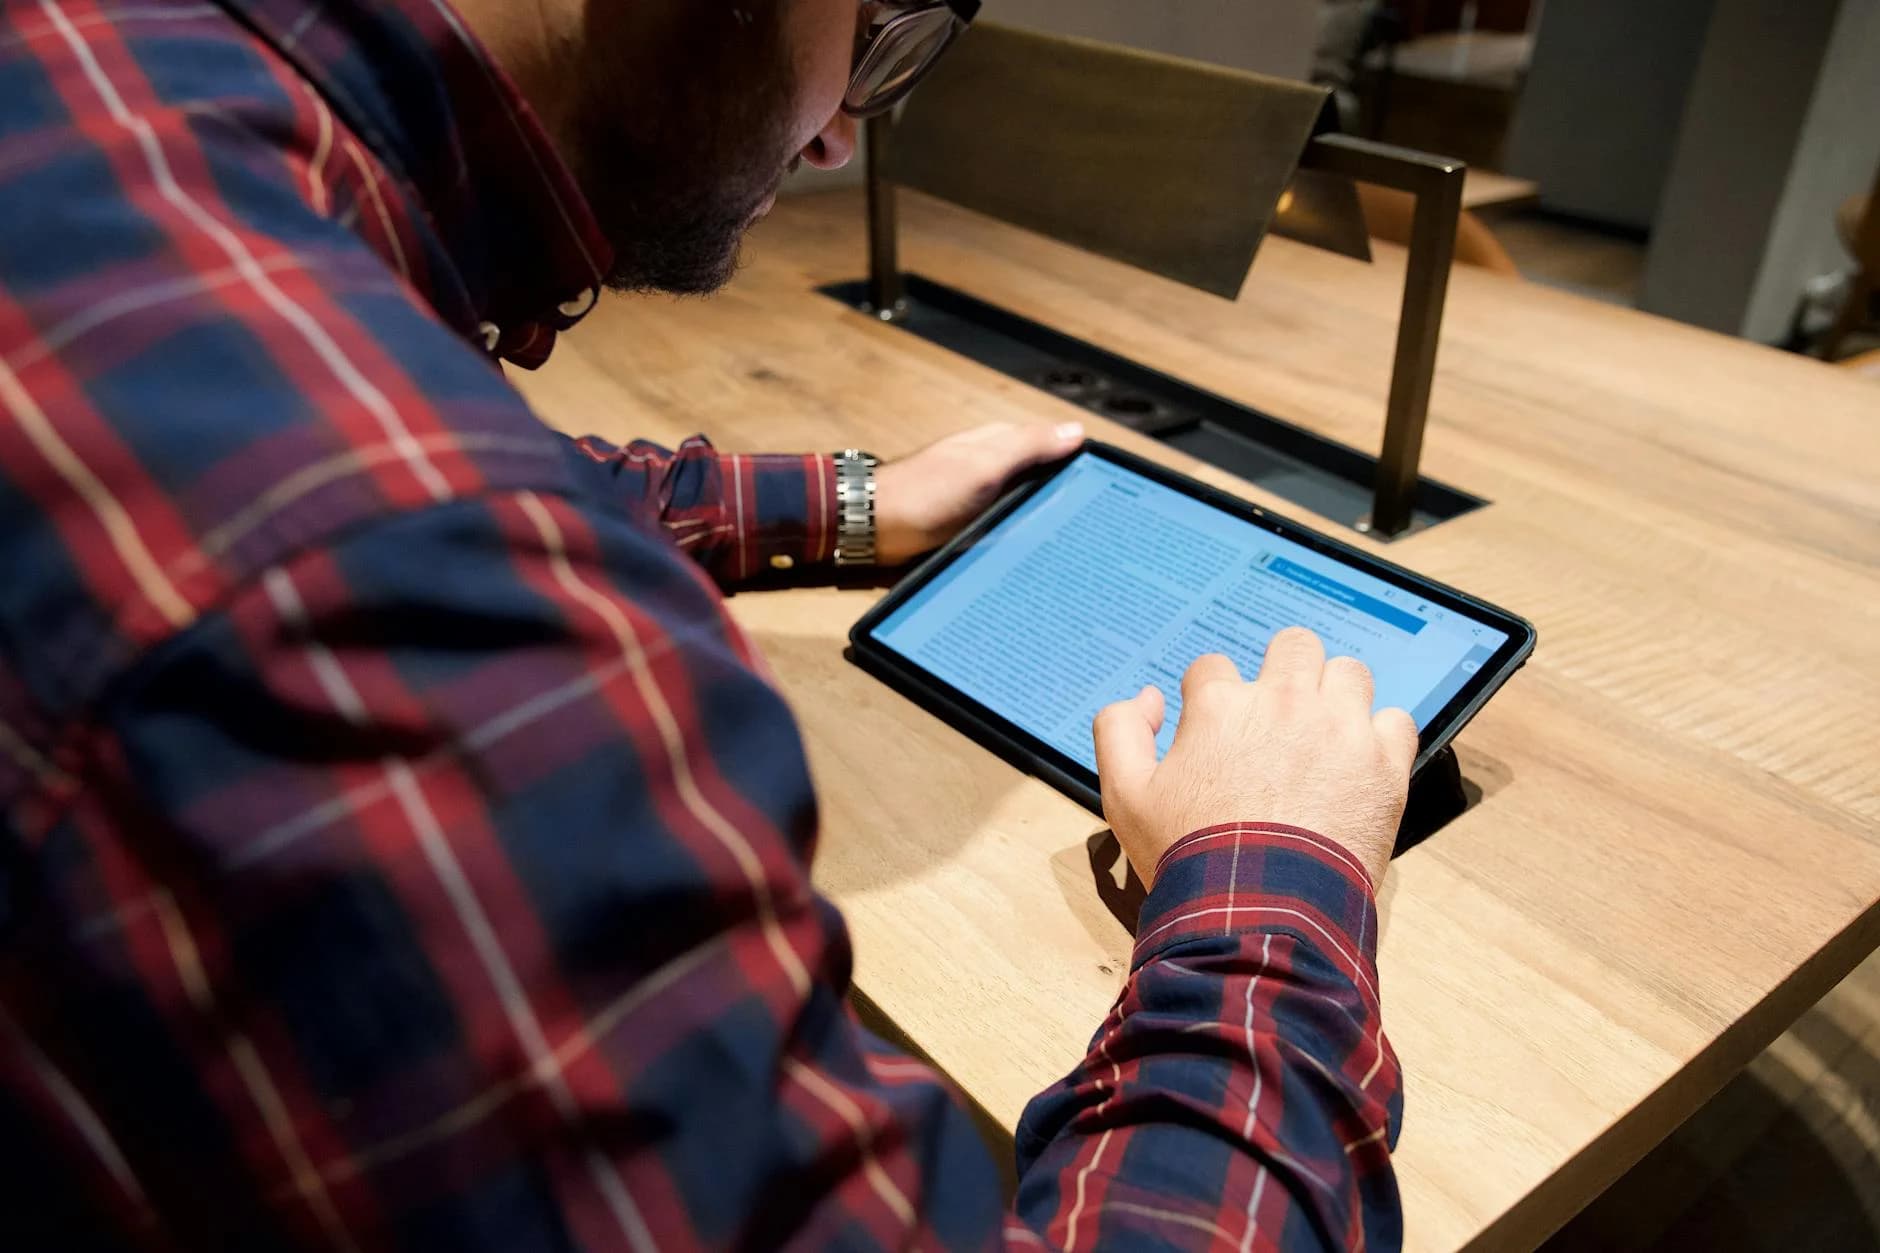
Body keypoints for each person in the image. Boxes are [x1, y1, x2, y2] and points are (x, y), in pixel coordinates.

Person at [0, 0, 1417, 1247]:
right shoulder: (385, 598)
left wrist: (850, 501)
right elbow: (372, 509)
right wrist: (1267, 882)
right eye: (871, 26)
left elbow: (340, 407)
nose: (839, 138)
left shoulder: (110, 69)